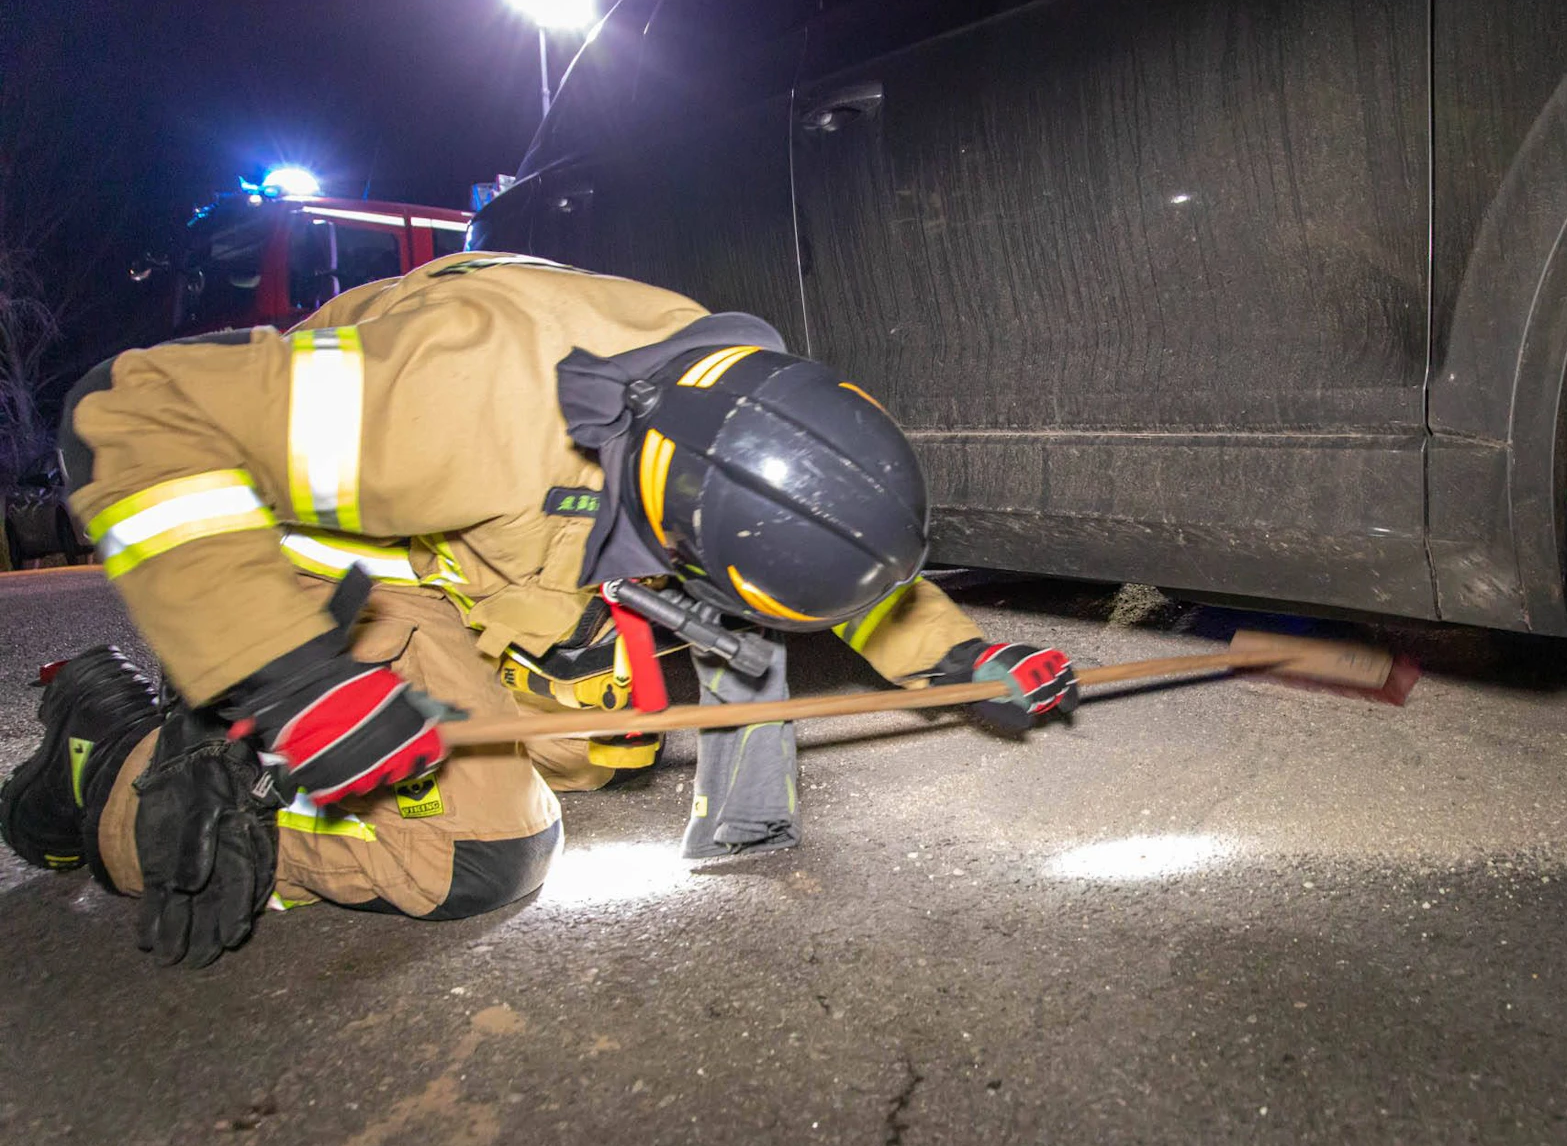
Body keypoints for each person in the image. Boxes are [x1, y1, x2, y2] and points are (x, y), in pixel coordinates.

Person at [0, 252, 1078, 967]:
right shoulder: (457, 401)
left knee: (610, 737)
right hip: (332, 576)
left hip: (476, 555)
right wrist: (283, 674)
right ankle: (114, 759)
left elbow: (816, 536)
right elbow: (124, 409)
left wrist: (966, 658)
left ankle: (341, 723)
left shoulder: (727, 404)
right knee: (483, 854)